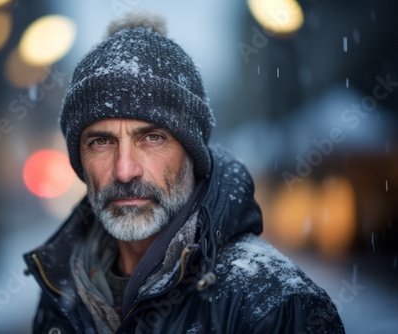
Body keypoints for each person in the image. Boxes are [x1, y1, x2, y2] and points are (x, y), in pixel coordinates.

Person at [23, 13, 345, 334]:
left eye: (152, 138)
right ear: (79, 159)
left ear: (192, 154)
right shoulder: (60, 295)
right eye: (101, 142)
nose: (124, 170)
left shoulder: (275, 308)